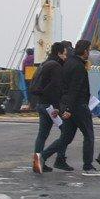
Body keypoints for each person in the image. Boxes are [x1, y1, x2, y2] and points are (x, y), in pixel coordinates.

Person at [39, 39, 100, 176]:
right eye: (88, 50)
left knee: (66, 137)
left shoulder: (67, 64)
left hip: (68, 106)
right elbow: (75, 89)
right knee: (89, 135)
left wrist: (63, 107)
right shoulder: (79, 67)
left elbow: (63, 88)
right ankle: (88, 166)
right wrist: (68, 109)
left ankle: (42, 156)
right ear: (85, 51)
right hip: (78, 107)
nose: (89, 53)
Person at [30, 41, 68, 173]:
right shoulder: (56, 66)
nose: (65, 57)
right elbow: (56, 88)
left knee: (42, 135)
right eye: (64, 54)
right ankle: (53, 159)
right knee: (66, 133)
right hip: (51, 107)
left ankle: (37, 164)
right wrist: (58, 107)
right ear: (59, 53)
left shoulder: (44, 64)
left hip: (41, 103)